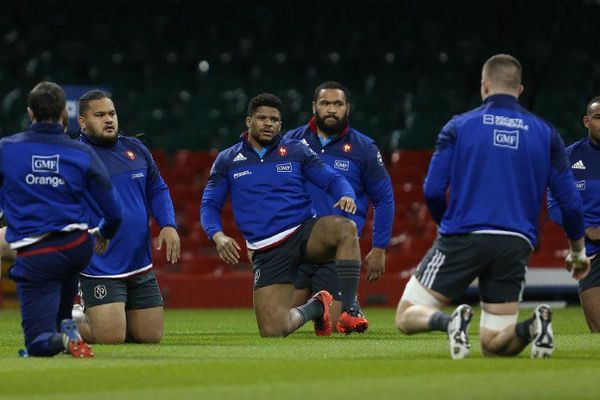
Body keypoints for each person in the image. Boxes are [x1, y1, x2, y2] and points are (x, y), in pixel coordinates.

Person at [394, 54, 590, 359]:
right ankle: (534, 327)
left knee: (405, 315)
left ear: (484, 85)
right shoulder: (546, 133)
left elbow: (432, 189)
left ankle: (449, 322)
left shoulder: (458, 126)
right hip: (515, 243)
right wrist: (577, 251)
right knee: (494, 342)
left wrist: (447, 225)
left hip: (463, 234)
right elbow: (571, 203)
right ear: (520, 89)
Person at [201, 93, 367, 337]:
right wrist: (218, 236)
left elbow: (333, 179)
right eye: (262, 118)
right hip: (268, 248)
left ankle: (348, 309)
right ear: (249, 121)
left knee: (345, 229)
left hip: (303, 231)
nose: (268, 123)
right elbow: (209, 205)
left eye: (274, 119)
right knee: (273, 330)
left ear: (280, 124)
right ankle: (317, 306)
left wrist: (347, 194)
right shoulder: (228, 160)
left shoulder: (296, 150)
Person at [1, 82, 122, 357]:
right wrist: (104, 232)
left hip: (39, 250)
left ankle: (64, 339)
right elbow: (114, 211)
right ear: (64, 114)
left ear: (30, 113)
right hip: (78, 246)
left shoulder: (6, 149)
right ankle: (67, 325)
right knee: (61, 286)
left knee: (37, 344)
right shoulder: (82, 152)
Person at [73, 90, 180, 344]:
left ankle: (108, 317)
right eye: (99, 115)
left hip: (138, 263)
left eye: (111, 113)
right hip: (100, 267)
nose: (108, 119)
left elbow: (157, 188)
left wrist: (168, 224)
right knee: (111, 338)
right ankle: (65, 317)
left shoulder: (136, 149)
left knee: (149, 337)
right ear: (82, 122)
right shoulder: (74, 157)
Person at [284, 81, 394, 329]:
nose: (331, 109)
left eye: (338, 104)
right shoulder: (291, 142)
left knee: (331, 326)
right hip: (296, 247)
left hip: (336, 253)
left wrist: (380, 247)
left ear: (348, 109)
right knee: (279, 320)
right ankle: (326, 303)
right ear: (314, 107)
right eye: (325, 103)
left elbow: (384, 198)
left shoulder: (364, 148)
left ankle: (343, 300)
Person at [548, 96, 600, 332]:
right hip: (590, 252)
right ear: (586, 121)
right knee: (597, 328)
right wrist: (584, 230)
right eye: (599, 118)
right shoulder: (568, 157)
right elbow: (554, 206)